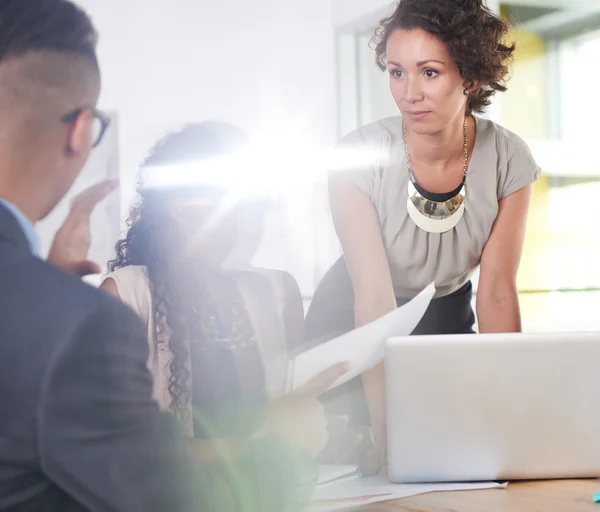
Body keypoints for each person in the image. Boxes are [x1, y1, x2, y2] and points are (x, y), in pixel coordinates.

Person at [0, 1, 345, 511]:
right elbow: (173, 502)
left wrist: (45, 289)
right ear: (79, 131)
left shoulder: (49, 309)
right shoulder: (89, 320)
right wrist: (281, 446)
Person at [305, 0, 541, 451]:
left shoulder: (509, 158)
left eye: (429, 72)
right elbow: (372, 299)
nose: (408, 93)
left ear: (470, 77)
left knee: (473, 444)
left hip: (445, 316)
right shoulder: (358, 158)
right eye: (397, 72)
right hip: (354, 327)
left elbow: (495, 292)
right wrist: (386, 433)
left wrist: (511, 415)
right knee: (367, 459)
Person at [100, 122, 381, 475]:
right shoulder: (125, 295)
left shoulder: (278, 293)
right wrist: (268, 443)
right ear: (181, 208)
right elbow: (121, 446)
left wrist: (331, 442)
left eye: (257, 205)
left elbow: (289, 419)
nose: (253, 221)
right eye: (238, 203)